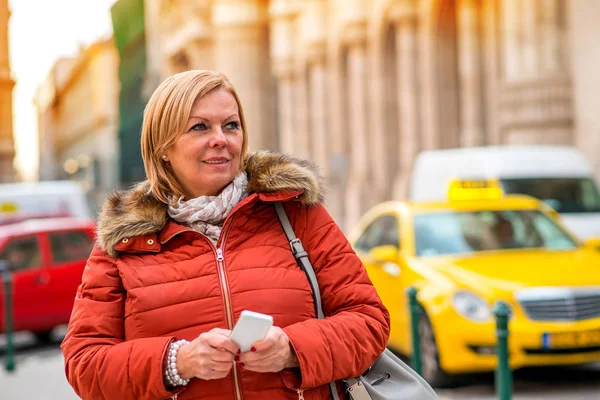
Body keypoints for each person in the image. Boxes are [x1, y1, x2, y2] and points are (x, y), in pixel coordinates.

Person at [61, 70, 390, 400]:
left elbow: (369, 322)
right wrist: (178, 361)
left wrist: (292, 349)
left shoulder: (294, 211)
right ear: (163, 147)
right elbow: (84, 363)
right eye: (200, 127)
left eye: (231, 125)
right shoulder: (124, 241)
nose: (220, 138)